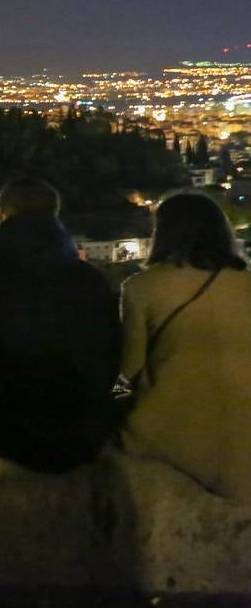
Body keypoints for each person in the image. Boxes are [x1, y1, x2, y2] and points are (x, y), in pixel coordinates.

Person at [0, 178, 120, 472]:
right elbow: (110, 357)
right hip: (79, 430)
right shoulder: (90, 281)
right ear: (55, 216)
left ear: (2, 216)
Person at [119, 191, 251, 501]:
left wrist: (112, 400)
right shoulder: (246, 285)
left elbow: (129, 371)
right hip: (241, 434)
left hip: (172, 434)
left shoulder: (142, 288)